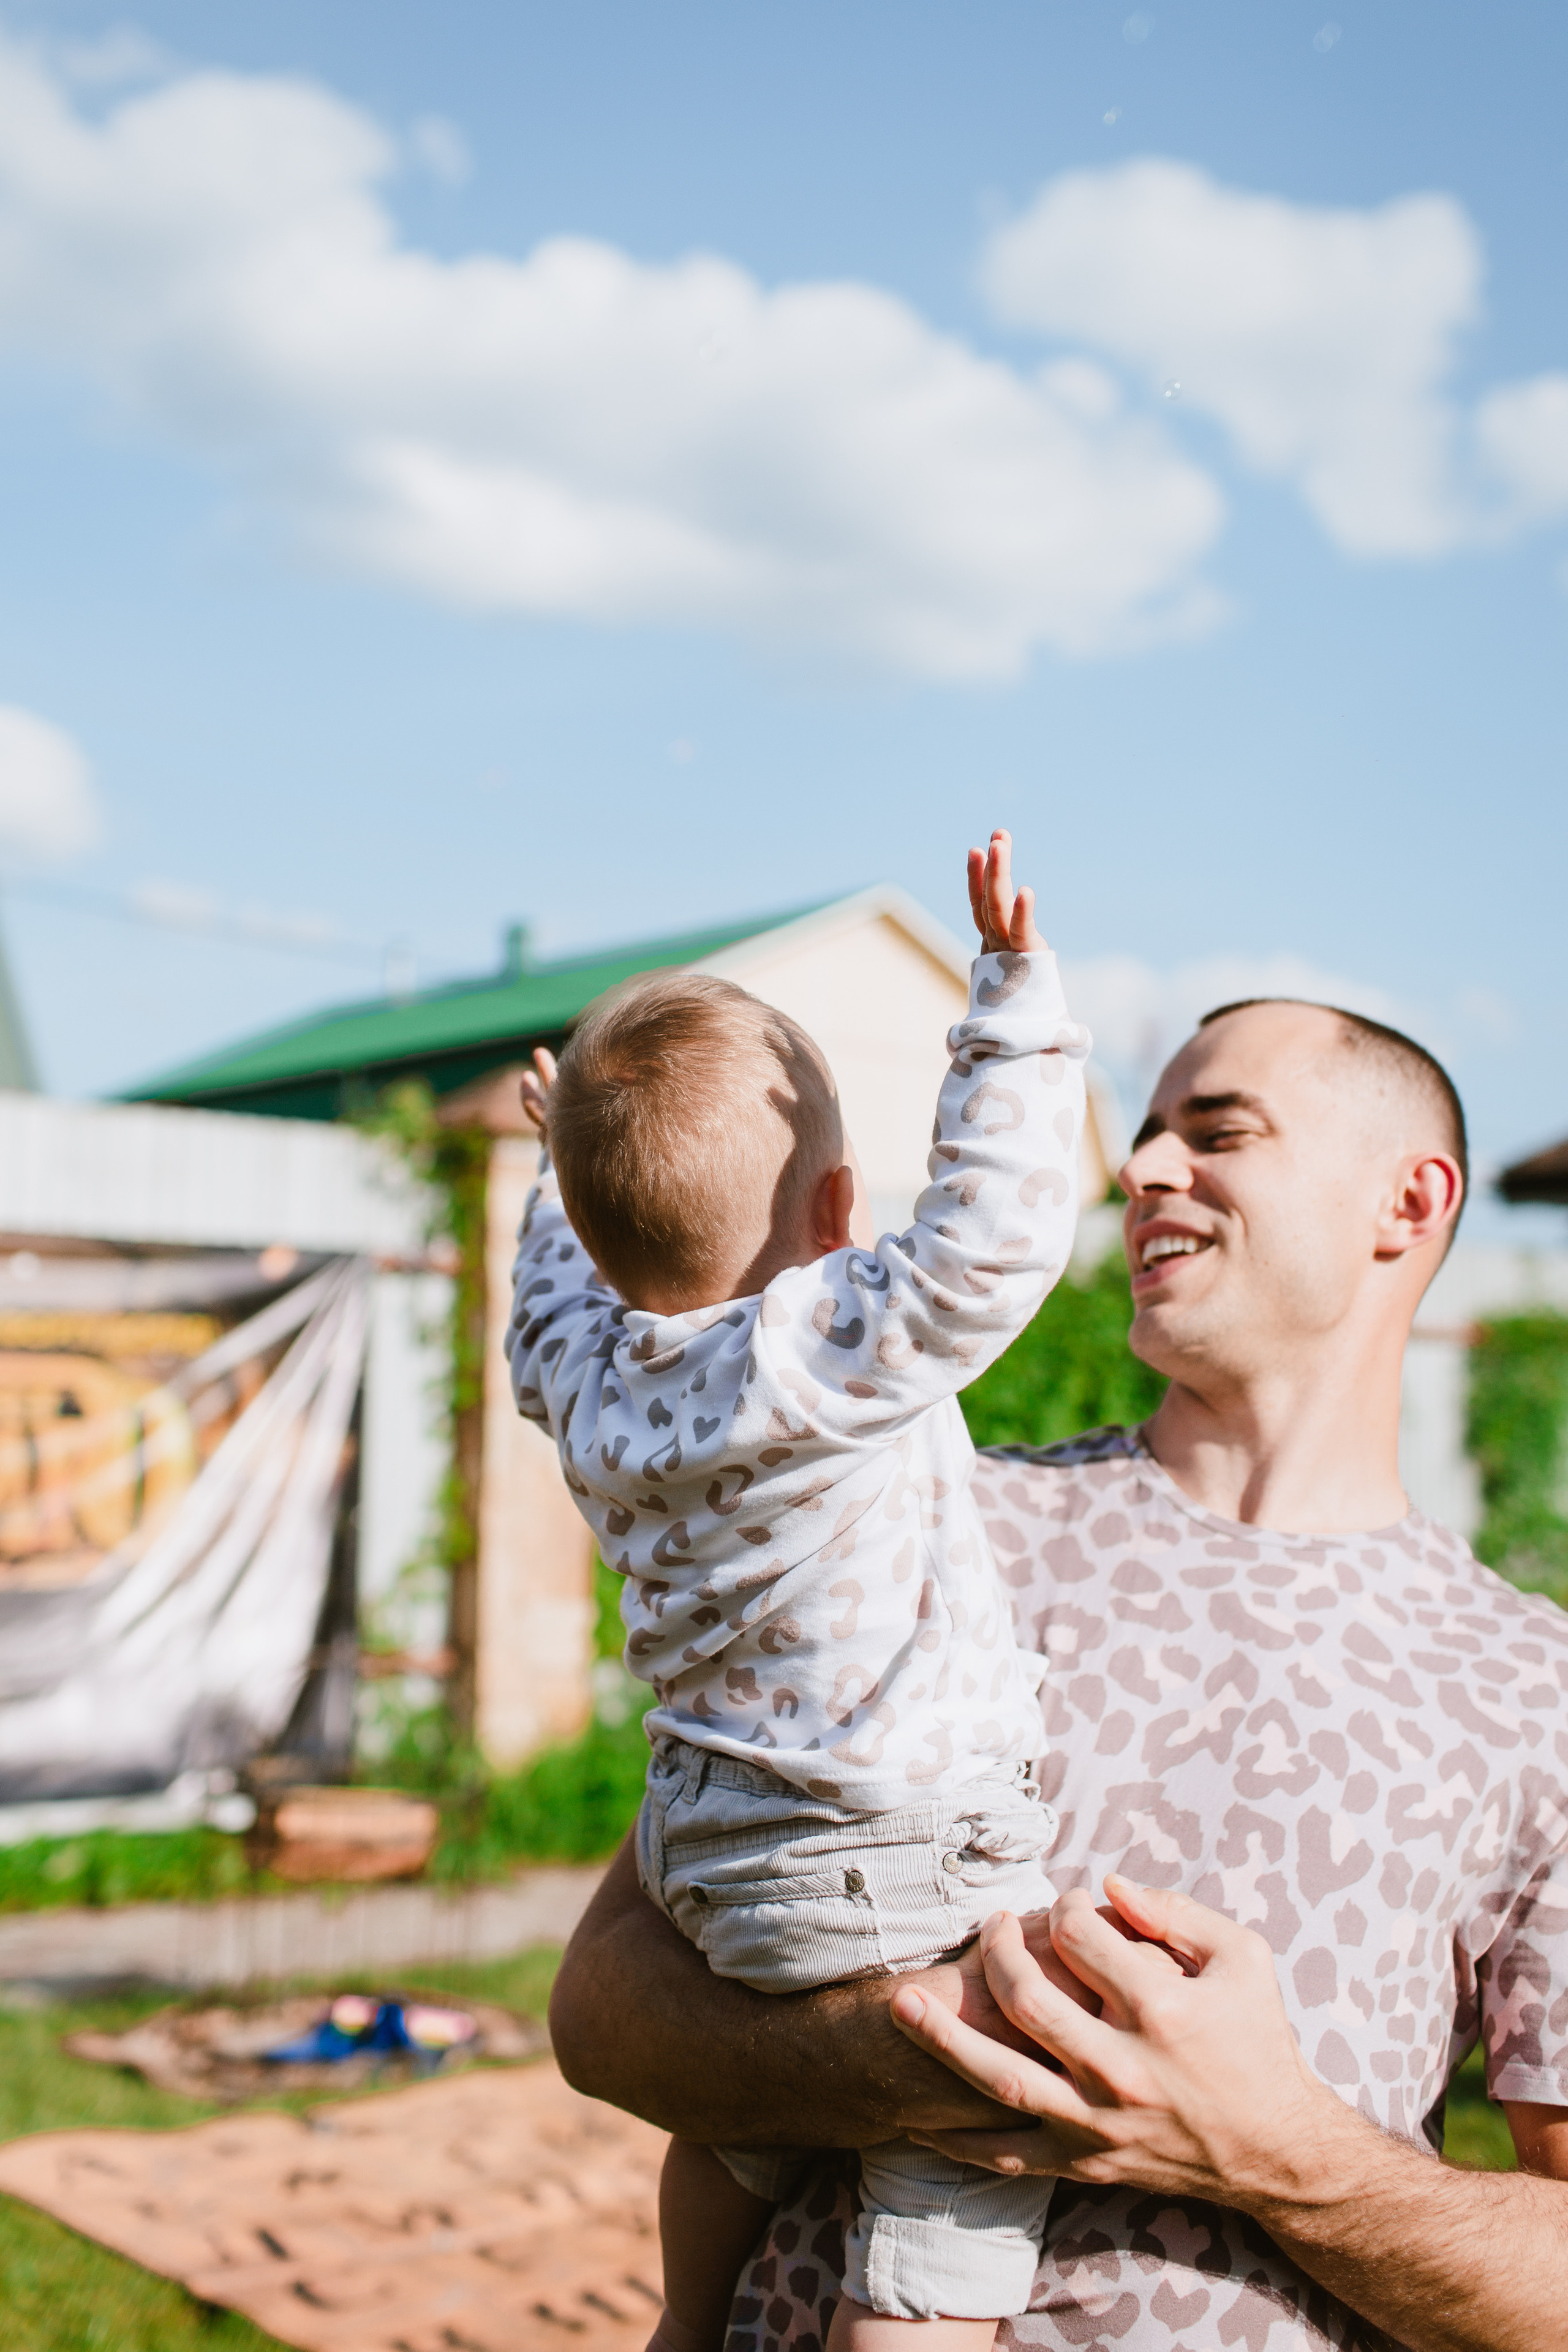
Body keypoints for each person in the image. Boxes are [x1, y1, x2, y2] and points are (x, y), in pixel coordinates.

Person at [550, 995, 1568, 2351]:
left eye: (1216, 1130)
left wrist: (1280, 2150)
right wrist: (892, 2063)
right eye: (1140, 1134)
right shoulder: (911, 1520)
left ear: (1409, 1200)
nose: (1138, 1167)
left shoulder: (1530, 1685)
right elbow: (602, 2009)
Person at [507, 831, 1097, 2352]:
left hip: (705, 1858)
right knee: (946, 2163)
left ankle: (683, 2327)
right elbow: (992, 1235)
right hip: (893, 1845)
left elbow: (553, 1296)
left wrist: (545, 1183)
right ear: (838, 1206)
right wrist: (1009, 1007)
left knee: (733, 2127)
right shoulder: (818, 1349)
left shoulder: (584, 1382)